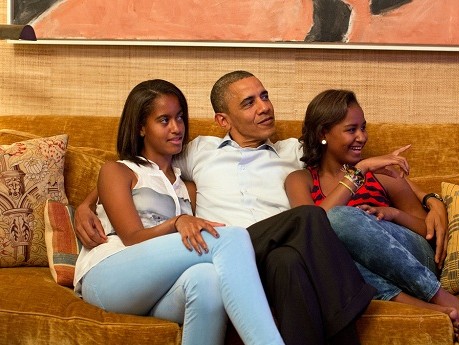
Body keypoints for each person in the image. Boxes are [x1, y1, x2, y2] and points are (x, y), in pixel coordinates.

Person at [74, 72, 376, 345]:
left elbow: (343, 145)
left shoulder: (289, 152)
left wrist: (424, 198)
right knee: (257, 231)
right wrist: (84, 206)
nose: (264, 107)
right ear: (223, 120)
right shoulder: (197, 151)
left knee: (225, 276)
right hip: (145, 262)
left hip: (252, 262)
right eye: (249, 102)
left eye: (265, 96)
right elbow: (127, 174)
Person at [72, 79, 285, 345]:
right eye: (164, 120)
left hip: (157, 286)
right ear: (140, 127)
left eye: (180, 118)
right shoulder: (119, 171)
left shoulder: (186, 186)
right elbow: (132, 238)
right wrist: (178, 221)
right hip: (109, 275)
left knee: (207, 280)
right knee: (232, 237)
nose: (177, 128)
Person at [284, 89, 459, 341]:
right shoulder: (300, 180)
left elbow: (426, 232)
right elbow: (310, 229)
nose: (362, 137)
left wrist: (393, 214)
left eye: (363, 128)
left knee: (342, 218)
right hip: (356, 271)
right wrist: (358, 172)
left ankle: (441, 295)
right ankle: (421, 307)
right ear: (323, 133)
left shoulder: (382, 174)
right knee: (324, 250)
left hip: (413, 259)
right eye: (351, 129)